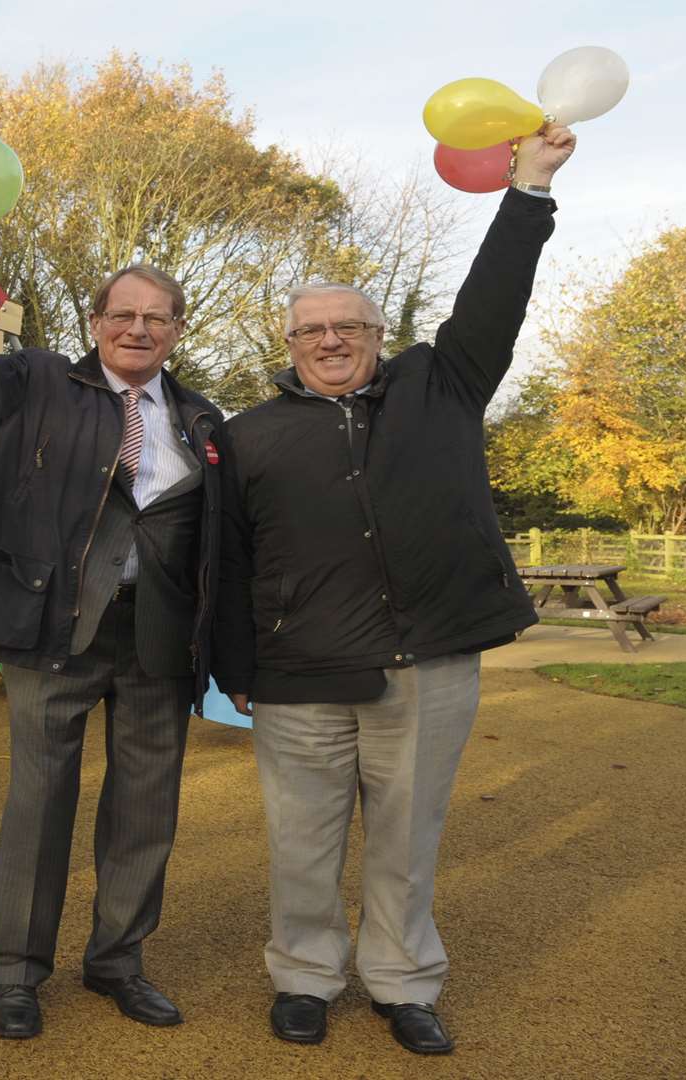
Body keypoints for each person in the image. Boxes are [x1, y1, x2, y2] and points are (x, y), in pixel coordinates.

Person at [212, 124, 577, 1055]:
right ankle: (303, 975)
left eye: (350, 328)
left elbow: (495, 296)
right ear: (288, 343)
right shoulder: (250, 435)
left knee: (407, 842)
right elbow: (228, 559)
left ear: (380, 336)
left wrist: (528, 189)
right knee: (302, 844)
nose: (331, 341)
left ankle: (402, 981)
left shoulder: (442, 385)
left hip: (426, 665)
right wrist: (234, 665)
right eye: (312, 330)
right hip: (298, 675)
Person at [0, 215, 233, 1040]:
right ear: (96, 323)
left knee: (145, 809)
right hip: (50, 627)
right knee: (39, 802)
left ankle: (118, 963)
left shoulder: (202, 423)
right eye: (123, 315)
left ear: (177, 329)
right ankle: (18, 972)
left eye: (156, 317)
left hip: (158, 638)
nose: (138, 329)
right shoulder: (34, 382)